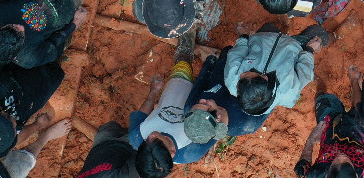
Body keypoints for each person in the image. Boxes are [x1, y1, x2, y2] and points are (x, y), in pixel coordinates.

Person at [128, 30, 210, 165]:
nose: (151, 135)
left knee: (183, 61)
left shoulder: (137, 138)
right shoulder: (190, 151)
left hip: (177, 90)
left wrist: (153, 91)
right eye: (156, 141)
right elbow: (216, 128)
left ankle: (187, 27)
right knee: (209, 74)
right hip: (206, 99)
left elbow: (141, 114)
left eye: (146, 142)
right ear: (172, 153)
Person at [180, 47, 265, 158]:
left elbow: (200, 82)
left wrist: (211, 60)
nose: (202, 100)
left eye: (200, 103)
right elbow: (269, 96)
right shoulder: (247, 122)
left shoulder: (191, 108)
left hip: (227, 63)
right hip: (258, 71)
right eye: (206, 105)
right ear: (218, 118)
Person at [295, 91, 364, 178]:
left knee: (321, 96)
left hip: (330, 127)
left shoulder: (316, 175)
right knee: (361, 104)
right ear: (356, 174)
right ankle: (355, 86)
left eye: (335, 163)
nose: (341, 156)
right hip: (359, 131)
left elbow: (302, 168)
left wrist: (312, 139)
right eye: (347, 163)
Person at [224, 25, 320, 116]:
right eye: (247, 75)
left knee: (269, 26)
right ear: (265, 77)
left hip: (264, 39)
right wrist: (309, 50)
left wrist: (243, 36)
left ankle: (284, 28)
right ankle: (333, 36)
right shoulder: (288, 93)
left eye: (241, 79)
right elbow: (305, 73)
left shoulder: (232, 80)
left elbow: (236, 54)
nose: (241, 74)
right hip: (295, 46)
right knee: (318, 33)